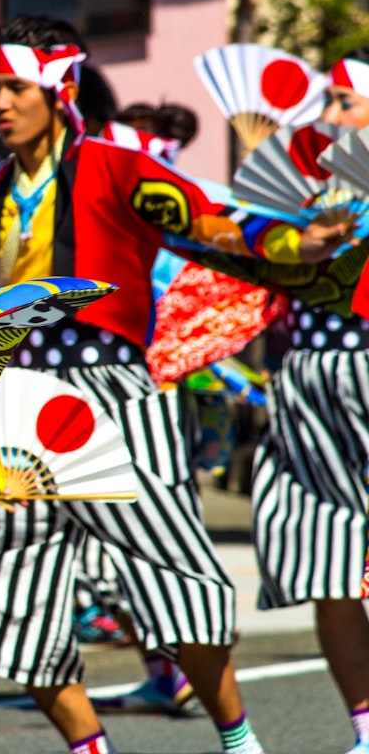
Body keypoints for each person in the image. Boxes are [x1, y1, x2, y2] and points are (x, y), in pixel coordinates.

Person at [0, 14, 350, 754]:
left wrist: (295, 240)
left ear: (59, 88)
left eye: (16, 88)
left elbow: (212, 221)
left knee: (172, 574)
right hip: (17, 399)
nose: (1, 103)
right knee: (6, 589)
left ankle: (240, 741)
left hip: (115, 394)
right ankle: (89, 747)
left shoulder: (117, 169)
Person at [247, 47, 369, 754]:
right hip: (306, 377)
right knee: (325, 553)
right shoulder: (301, 192)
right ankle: (363, 725)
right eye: (328, 103)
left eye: (347, 104)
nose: (329, 118)